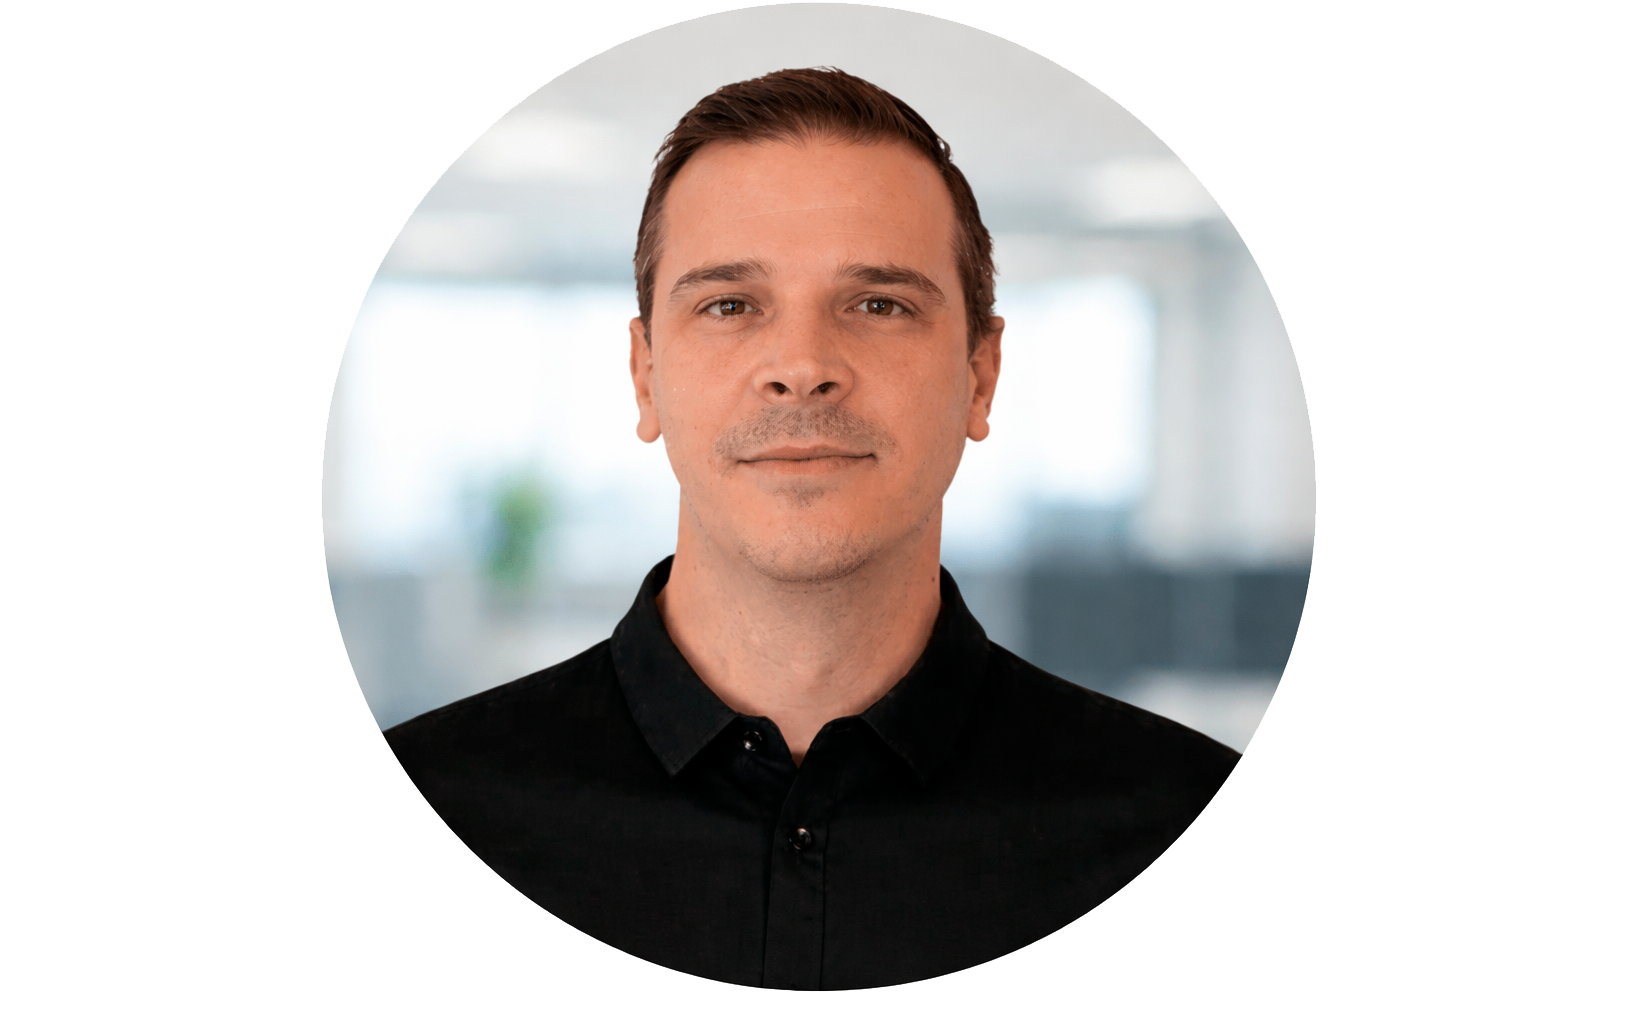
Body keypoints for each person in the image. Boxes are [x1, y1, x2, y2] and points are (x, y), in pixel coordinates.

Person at [385, 67, 1239, 990]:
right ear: (645, 375)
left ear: (981, 377)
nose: (801, 366)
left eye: (879, 304)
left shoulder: (1195, 829)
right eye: (729, 305)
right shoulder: (417, 818)